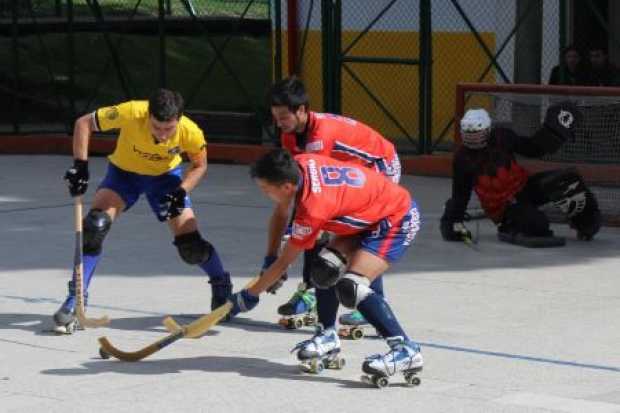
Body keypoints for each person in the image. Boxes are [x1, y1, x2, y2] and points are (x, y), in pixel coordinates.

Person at [228, 149, 423, 382]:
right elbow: (281, 214)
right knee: (324, 269)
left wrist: (247, 297)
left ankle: (406, 350)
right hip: (368, 213)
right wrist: (270, 256)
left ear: (286, 187)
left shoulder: (313, 207)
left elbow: (284, 264)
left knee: (352, 287)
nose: (264, 194)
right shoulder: (299, 164)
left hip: (396, 218)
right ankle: (327, 335)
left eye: (265, 190)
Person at [53, 88, 233, 333]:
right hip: (124, 176)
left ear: (178, 119)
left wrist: (181, 191)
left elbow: (200, 164)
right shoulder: (131, 112)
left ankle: (221, 283)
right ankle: (76, 297)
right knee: (95, 227)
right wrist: (80, 166)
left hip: (165, 179)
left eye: (168, 129)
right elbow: (83, 123)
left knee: (191, 246)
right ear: (148, 115)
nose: (162, 134)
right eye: (156, 127)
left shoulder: (190, 131)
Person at [266, 76, 401, 331]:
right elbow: (299, 190)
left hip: (380, 166)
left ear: (302, 110)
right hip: (350, 170)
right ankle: (313, 289)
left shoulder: (320, 136)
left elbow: (314, 195)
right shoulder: (290, 134)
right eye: (276, 117)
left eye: (283, 117)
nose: (279, 123)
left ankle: (370, 298)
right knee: (314, 227)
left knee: (356, 232)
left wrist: (287, 244)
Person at [440, 105, 601, 248]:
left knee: (567, 179)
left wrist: (553, 132)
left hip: (523, 188)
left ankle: (586, 224)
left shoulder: (503, 137)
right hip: (504, 207)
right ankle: (509, 225)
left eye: (477, 133)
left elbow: (532, 148)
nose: (473, 137)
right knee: (538, 225)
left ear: (488, 130)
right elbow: (460, 196)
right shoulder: (463, 159)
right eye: (469, 133)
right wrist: (452, 224)